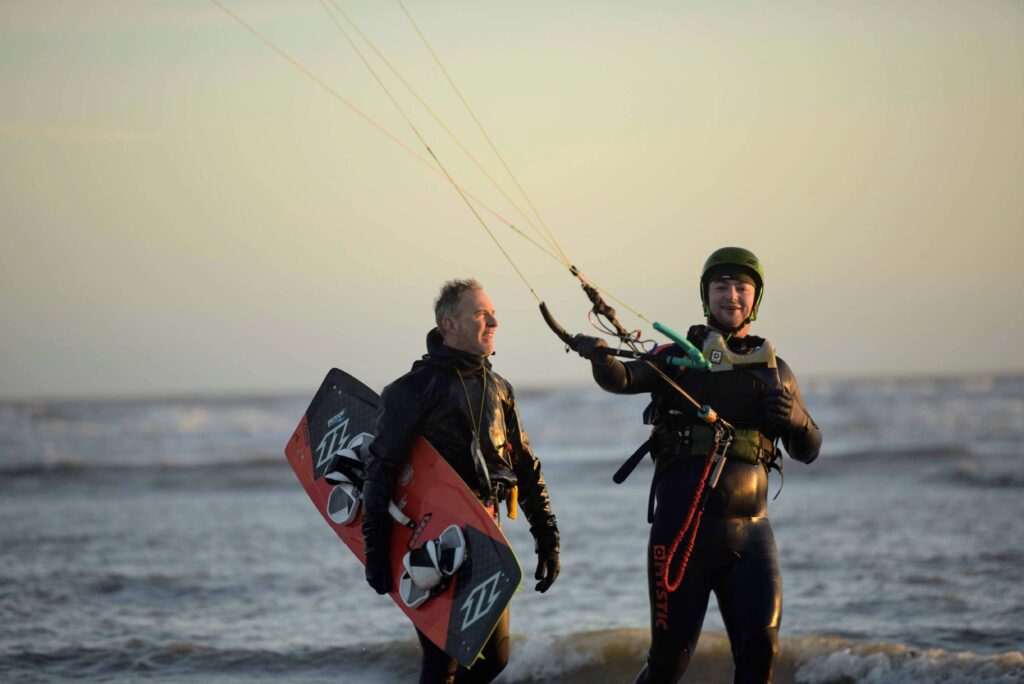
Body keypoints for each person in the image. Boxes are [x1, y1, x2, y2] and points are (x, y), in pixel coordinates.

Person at [573, 247, 822, 684]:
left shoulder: (775, 372)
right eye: (721, 287)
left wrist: (797, 420)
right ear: (706, 296)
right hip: (681, 535)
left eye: (742, 288)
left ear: (756, 299)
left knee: (760, 652)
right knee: (669, 662)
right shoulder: (676, 360)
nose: (732, 296)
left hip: (752, 537)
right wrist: (600, 359)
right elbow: (624, 378)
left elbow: (809, 448)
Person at [361, 278, 560, 684]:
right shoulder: (413, 390)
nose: (494, 321)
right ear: (449, 324)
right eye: (480, 314)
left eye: (492, 312)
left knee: (494, 659)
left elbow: (525, 465)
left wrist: (548, 537)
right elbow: (381, 469)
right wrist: (375, 548)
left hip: (486, 534)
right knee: (443, 663)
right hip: (433, 538)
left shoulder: (499, 388)